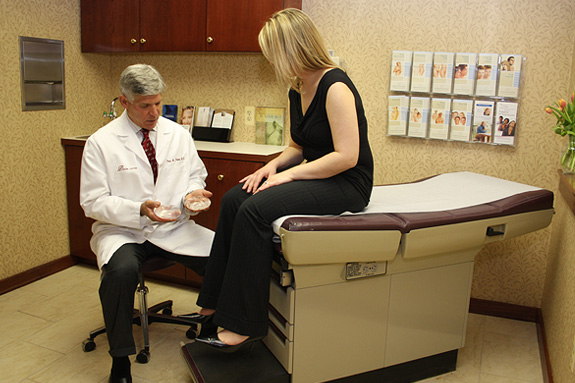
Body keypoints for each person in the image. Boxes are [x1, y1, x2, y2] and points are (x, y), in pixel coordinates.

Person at [188, 8, 374, 352]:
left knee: (255, 210)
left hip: (348, 183)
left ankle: (244, 324)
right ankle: (213, 303)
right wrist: (269, 168)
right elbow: (298, 146)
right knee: (234, 198)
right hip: (317, 175)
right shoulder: (297, 87)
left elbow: (347, 156)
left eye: (273, 53)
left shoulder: (335, 86)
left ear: (293, 48)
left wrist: (287, 177)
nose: (270, 61)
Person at [80, 64, 214, 383]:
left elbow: (195, 174)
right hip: (123, 230)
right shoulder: (101, 143)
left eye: (157, 103)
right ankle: (120, 361)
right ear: (124, 102)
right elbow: (92, 201)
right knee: (120, 272)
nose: (154, 112)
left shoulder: (178, 135)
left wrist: (192, 193)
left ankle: (210, 329)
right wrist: (138, 209)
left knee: (224, 254)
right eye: (145, 105)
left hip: (173, 226)